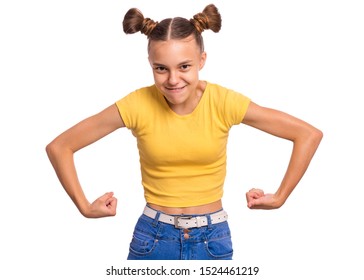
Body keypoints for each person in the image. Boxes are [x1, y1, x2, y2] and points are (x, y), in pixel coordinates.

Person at [46, 4, 323, 260]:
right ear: (150, 65)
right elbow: (60, 147)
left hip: (212, 239)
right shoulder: (137, 104)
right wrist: (84, 207)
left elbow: (307, 135)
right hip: (152, 239)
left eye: (184, 66)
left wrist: (279, 197)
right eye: (161, 69)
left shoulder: (224, 102)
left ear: (201, 60)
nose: (173, 79)